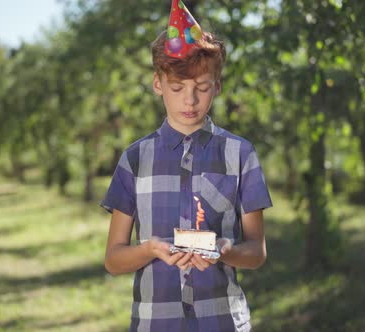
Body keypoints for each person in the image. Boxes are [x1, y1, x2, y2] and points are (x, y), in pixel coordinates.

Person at [101, 1, 272, 330]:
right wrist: (150, 249)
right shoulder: (134, 159)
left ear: (217, 87)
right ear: (158, 84)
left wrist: (224, 250)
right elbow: (113, 259)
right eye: (177, 88)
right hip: (155, 324)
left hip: (223, 321)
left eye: (202, 88)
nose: (190, 101)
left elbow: (256, 252)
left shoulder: (241, 154)